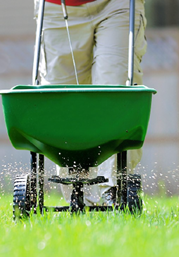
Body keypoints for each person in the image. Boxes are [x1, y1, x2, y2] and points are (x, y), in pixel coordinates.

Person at [34, 0, 147, 205]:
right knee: (64, 101)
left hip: (117, 5)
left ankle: (114, 189)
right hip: (57, 7)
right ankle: (79, 193)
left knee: (116, 86)